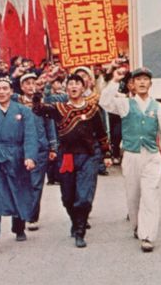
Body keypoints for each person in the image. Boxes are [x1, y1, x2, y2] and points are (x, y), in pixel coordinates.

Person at [99, 67, 161, 253]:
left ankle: (148, 235)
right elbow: (104, 102)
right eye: (138, 80)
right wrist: (115, 81)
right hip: (132, 156)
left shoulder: (158, 107)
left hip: (151, 156)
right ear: (132, 84)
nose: (142, 83)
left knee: (150, 194)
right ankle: (136, 225)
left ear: (150, 83)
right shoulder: (125, 104)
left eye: (145, 79)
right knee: (133, 196)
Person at [33, 74, 112, 248]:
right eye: (71, 84)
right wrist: (38, 93)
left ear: (83, 88)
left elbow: (101, 134)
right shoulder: (59, 108)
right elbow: (38, 109)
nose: (74, 87)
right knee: (67, 197)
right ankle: (75, 220)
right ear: (66, 88)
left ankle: (80, 231)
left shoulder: (92, 109)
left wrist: (106, 155)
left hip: (88, 156)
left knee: (83, 197)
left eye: (77, 84)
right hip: (66, 156)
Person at [0, 76, 38, 255]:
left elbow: (30, 134)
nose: (2, 92)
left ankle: (19, 226)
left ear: (12, 91)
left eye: (5, 88)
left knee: (17, 190)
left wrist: (30, 156)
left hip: (17, 156)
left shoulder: (23, 111)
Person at [17, 72, 58, 231]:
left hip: (41, 147)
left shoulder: (42, 104)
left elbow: (50, 125)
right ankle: (22, 212)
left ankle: (32, 216)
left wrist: (53, 146)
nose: (30, 86)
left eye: (33, 82)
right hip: (21, 148)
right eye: (27, 83)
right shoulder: (16, 103)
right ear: (21, 87)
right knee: (22, 182)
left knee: (36, 183)